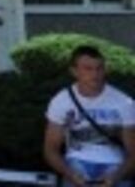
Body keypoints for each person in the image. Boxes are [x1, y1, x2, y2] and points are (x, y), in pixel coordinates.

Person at [44, 45, 135, 187]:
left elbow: (133, 153)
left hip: (114, 164)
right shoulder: (61, 101)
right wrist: (70, 175)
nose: (95, 74)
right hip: (76, 162)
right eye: (88, 68)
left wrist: (116, 177)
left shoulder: (124, 102)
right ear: (74, 71)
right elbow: (50, 149)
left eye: (100, 68)